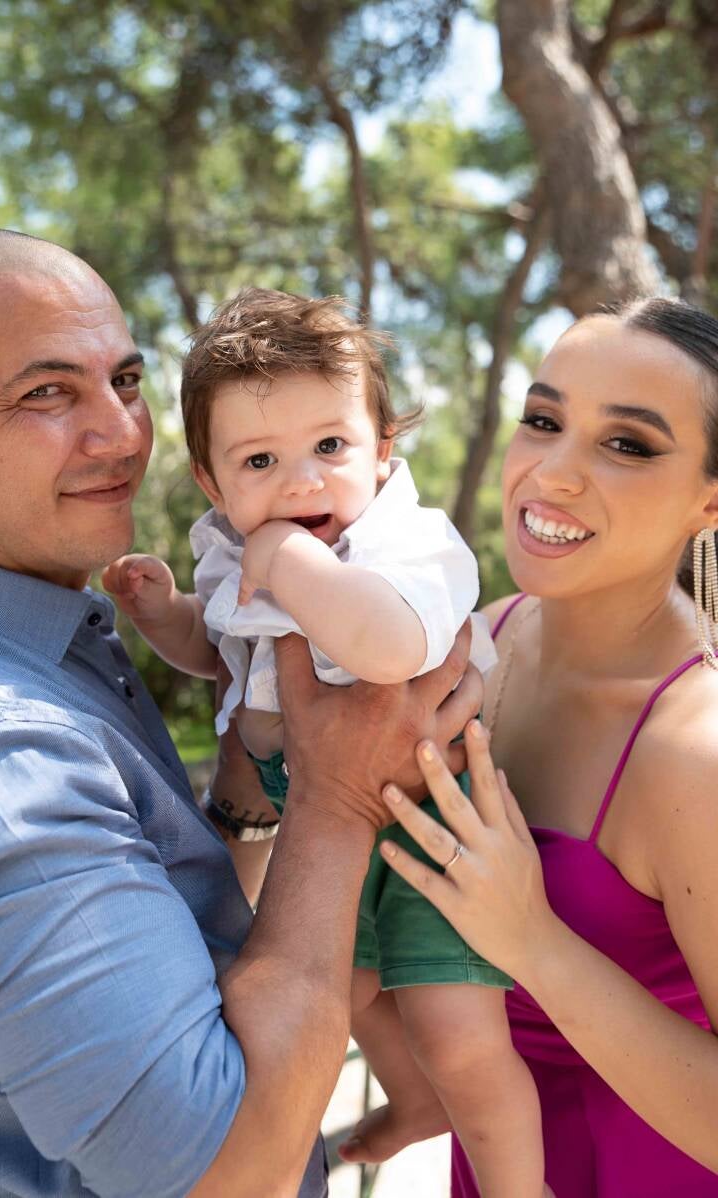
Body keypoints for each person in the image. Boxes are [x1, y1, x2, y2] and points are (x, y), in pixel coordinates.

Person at [0, 227, 482, 1198]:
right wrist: (338, 799)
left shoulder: (46, 643)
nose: (124, 435)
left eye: (125, 381)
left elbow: (175, 911)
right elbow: (227, 1174)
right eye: (46, 393)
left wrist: (248, 795)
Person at [103, 287, 548, 1197]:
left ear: (383, 448)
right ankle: (411, 1099)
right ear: (212, 482)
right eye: (260, 460)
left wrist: (293, 564)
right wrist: (165, 615)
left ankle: (515, 1186)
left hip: (430, 819)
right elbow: (224, 653)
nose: (302, 482)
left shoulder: (409, 544)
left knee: (459, 1033)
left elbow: (389, 649)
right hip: (313, 812)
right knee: (338, 996)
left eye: (331, 447)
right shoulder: (233, 551)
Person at [355, 298, 718, 1196]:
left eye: (627, 444)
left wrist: (533, 942)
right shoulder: (474, 644)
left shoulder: (696, 751)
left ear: (709, 501)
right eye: (544, 421)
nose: (553, 473)